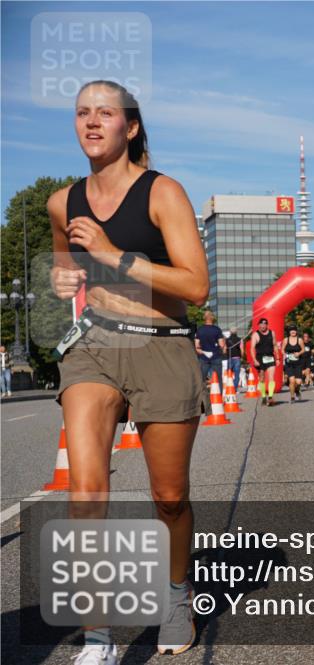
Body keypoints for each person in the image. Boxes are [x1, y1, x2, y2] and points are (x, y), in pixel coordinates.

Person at [48, 79, 208, 662]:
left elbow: (195, 284)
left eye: (106, 113)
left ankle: (175, 596)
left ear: (130, 127)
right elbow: (64, 269)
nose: (92, 122)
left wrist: (117, 256)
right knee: (86, 490)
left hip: (163, 346)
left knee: (169, 497)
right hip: (94, 344)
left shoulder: (163, 193)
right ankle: (98, 638)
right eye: (82, 113)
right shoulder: (62, 203)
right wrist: (64, 278)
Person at [248, 318, 280, 406]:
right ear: (258, 325)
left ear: (267, 325)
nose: (263, 326)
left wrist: (277, 358)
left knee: (271, 377)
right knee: (261, 378)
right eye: (261, 324)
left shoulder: (271, 333)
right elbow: (252, 348)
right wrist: (254, 360)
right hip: (260, 358)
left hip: (270, 357)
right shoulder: (255, 335)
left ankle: (270, 396)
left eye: (264, 324)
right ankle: (263, 396)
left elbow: (275, 345)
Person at [194, 310, 225, 385]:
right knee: (218, 379)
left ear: (204, 318)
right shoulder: (217, 329)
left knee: (202, 379)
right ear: (212, 318)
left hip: (203, 356)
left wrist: (200, 351)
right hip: (215, 355)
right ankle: (219, 395)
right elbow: (221, 344)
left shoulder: (200, 330)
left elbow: (197, 345)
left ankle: (202, 395)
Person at [283, 327, 305, 402]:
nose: (293, 332)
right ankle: (292, 397)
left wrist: (298, 353)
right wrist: (285, 354)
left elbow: (303, 349)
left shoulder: (299, 340)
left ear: (296, 332)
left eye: (294, 330)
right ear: (289, 332)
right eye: (291, 330)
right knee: (292, 380)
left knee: (298, 382)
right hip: (289, 363)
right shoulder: (286, 340)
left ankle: (297, 391)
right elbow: (282, 350)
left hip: (298, 363)